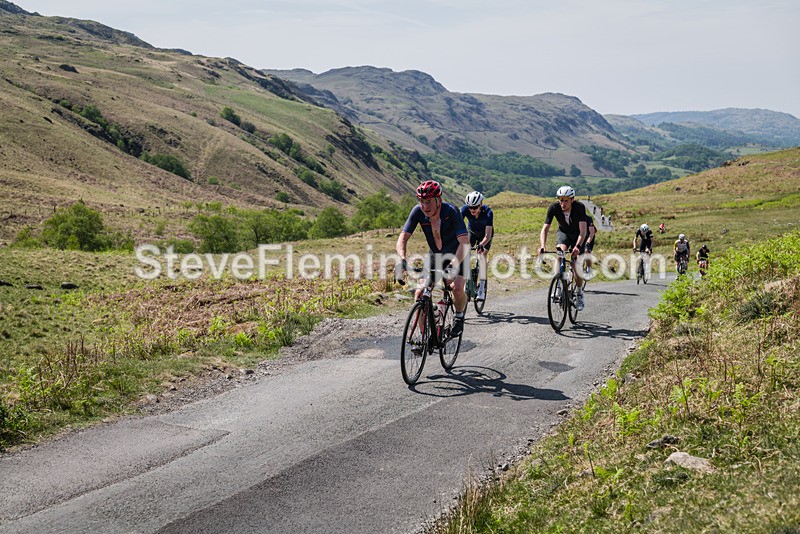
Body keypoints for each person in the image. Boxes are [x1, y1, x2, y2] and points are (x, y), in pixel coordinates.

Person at [396, 180, 470, 336]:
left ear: (439, 200)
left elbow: (464, 243)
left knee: (457, 288)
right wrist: (402, 259)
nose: (425, 206)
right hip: (435, 255)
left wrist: (453, 267)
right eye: (421, 201)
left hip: (458, 254)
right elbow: (403, 238)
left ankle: (459, 317)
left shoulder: (451, 211)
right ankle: (424, 338)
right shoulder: (418, 212)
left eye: (428, 202)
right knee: (420, 293)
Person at [538, 185, 588, 310]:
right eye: (560, 200)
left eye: (566, 200)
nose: (562, 203)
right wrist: (542, 246)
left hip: (578, 235)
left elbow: (583, 231)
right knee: (560, 254)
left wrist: (577, 246)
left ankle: (579, 293)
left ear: (572, 200)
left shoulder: (579, 207)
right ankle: (558, 288)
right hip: (564, 233)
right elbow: (545, 229)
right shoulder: (554, 208)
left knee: (576, 265)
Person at [460, 191, 493, 301]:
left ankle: (482, 288)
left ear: (480, 204)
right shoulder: (464, 210)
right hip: (472, 232)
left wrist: (481, 245)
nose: (472, 210)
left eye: (475, 207)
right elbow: (457, 225)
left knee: (482, 256)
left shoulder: (488, 212)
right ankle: (466, 280)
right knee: (464, 252)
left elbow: (488, 235)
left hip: (485, 234)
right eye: (470, 207)